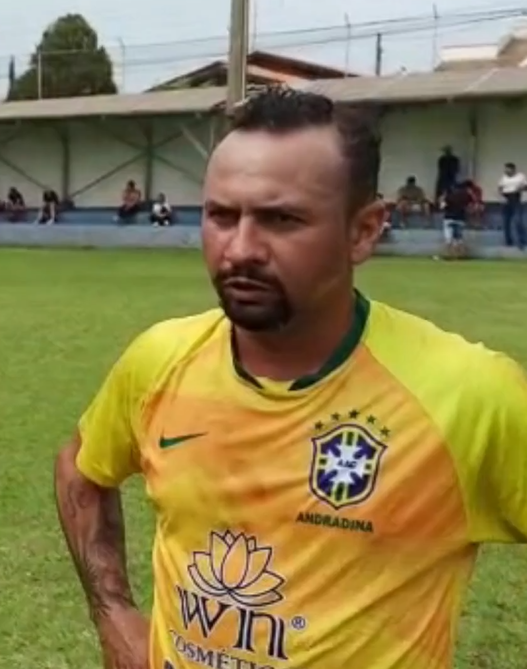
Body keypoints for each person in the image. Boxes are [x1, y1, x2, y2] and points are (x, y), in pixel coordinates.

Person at [54, 87, 526, 669]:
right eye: (222, 216)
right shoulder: (161, 360)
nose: (241, 249)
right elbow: (81, 469)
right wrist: (115, 615)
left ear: (364, 231)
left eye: (281, 219)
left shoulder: (469, 395)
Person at [439, 182, 472, 260]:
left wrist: (441, 199)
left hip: (449, 218)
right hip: (460, 219)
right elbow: (469, 206)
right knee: (459, 239)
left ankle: (449, 255)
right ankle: (460, 256)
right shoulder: (466, 196)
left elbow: (442, 207)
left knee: (448, 239)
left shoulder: (448, 196)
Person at [499, 161, 526, 250]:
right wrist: (502, 196)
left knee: (518, 221)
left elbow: (525, 186)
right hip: (506, 199)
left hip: (517, 198)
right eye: (506, 170)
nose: (507, 171)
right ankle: (508, 241)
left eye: (508, 169)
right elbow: (500, 188)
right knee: (506, 221)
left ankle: (522, 240)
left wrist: (519, 188)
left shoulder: (520, 177)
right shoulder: (504, 178)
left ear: (513, 169)